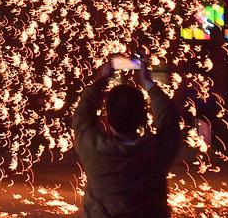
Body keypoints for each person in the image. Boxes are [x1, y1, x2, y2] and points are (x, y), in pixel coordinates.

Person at [73, 55, 182, 218]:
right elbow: (170, 120)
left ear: (108, 119)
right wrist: (148, 83)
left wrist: (103, 78)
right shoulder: (157, 150)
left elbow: (83, 114)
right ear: (144, 118)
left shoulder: (93, 148)